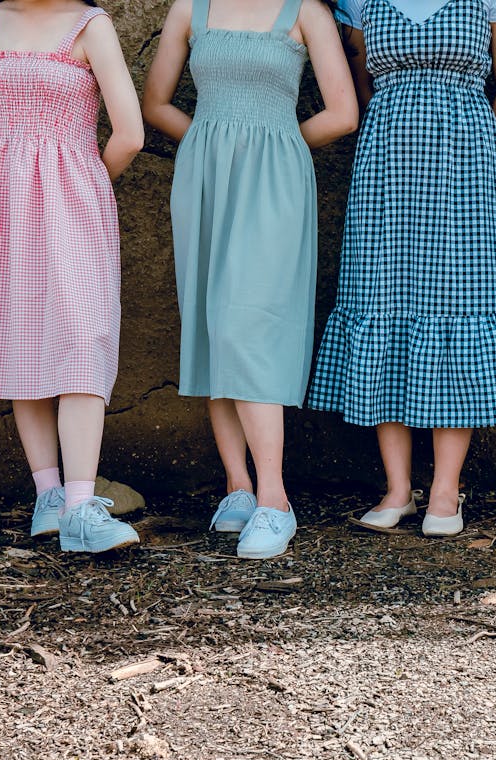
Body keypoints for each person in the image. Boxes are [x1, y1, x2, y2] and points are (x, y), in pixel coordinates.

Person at [307, 0, 496, 537]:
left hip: (467, 170)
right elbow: (362, 82)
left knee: (460, 307)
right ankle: (397, 488)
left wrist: (479, 163)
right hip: (386, 167)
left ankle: (446, 490)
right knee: (381, 303)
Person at [143, 0, 357, 559]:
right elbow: (155, 102)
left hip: (276, 178)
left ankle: (274, 500)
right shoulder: (191, 8)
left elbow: (342, 112)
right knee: (216, 326)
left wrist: (273, 145)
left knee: (247, 326)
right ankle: (238, 488)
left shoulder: (306, 10)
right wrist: (214, 142)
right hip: (205, 176)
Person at [0, 0, 145, 553]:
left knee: (85, 334)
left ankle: (81, 503)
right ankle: (50, 499)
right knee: (23, 338)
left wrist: (76, 176)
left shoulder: (91, 25)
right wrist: (12, 169)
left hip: (75, 198)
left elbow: (129, 133)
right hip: (6, 203)